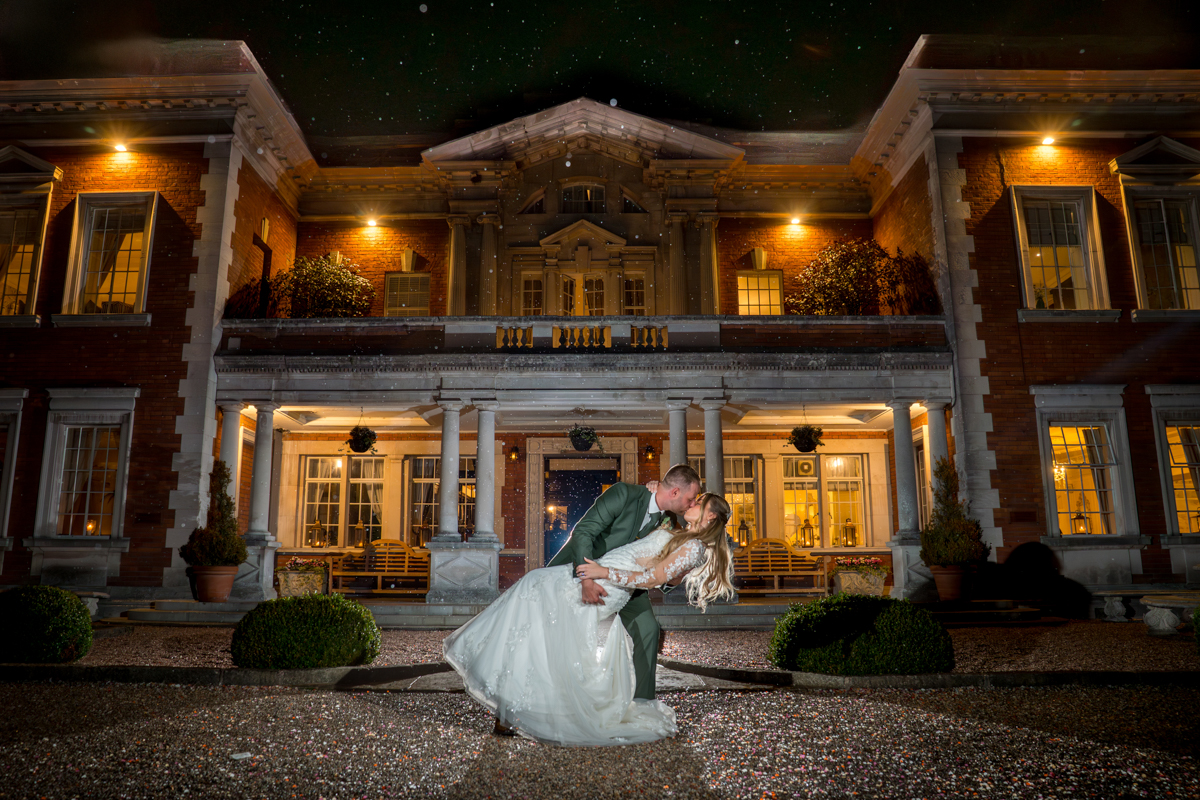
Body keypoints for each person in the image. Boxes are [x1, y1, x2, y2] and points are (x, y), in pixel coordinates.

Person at [442, 488, 734, 746]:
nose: (693, 502)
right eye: (693, 497)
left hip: (607, 583)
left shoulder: (695, 547)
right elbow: (645, 556)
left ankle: (517, 706)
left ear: (709, 518)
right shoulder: (676, 528)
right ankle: (512, 706)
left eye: (700, 501)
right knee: (539, 616)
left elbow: (652, 577)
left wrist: (603, 572)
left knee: (537, 603)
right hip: (599, 572)